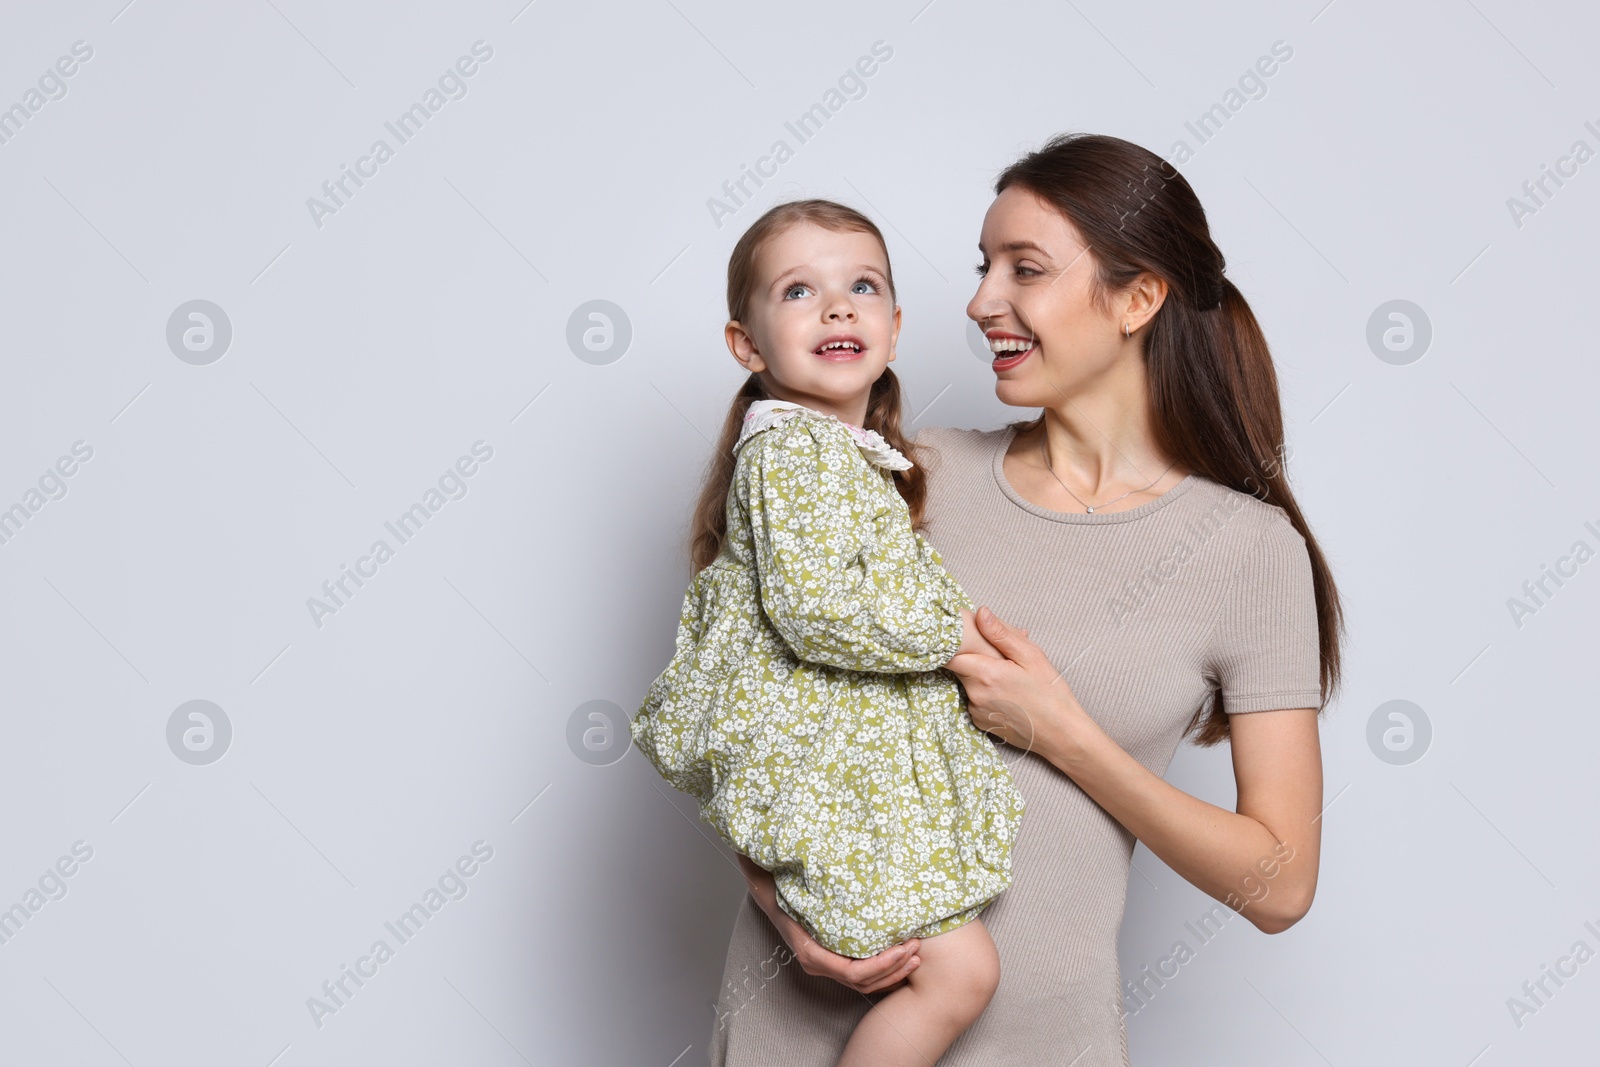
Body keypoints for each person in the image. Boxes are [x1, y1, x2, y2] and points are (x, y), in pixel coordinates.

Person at [709, 133, 1343, 1066]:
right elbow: (746, 706)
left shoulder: (1248, 551)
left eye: (1025, 268)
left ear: (1139, 298)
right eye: (982, 266)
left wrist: (1065, 733)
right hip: (799, 1028)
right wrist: (778, 906)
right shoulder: (905, 478)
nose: (978, 302)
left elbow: (1279, 886)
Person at [630, 198, 1029, 1066]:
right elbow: (817, 612)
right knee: (960, 973)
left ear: (892, 325)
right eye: (800, 290)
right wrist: (950, 635)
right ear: (747, 343)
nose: (839, 306)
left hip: (847, 781)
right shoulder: (795, 453)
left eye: (862, 286)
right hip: (832, 786)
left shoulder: (838, 454)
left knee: (957, 969)